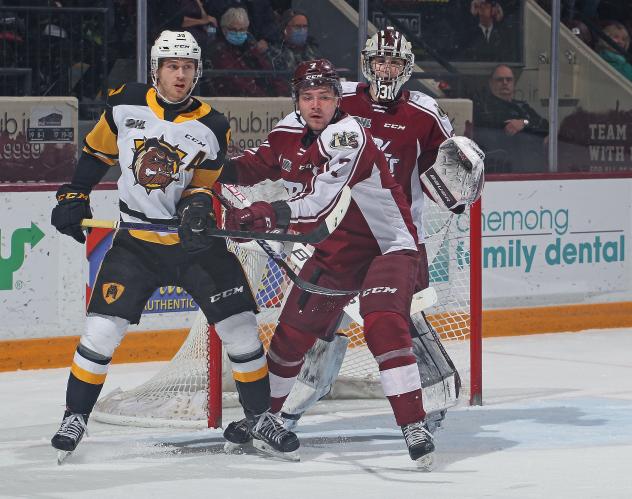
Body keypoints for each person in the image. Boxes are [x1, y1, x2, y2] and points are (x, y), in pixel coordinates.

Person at [49, 30, 298, 462]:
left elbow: (205, 185)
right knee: (102, 333)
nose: (180, 76)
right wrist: (75, 194)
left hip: (194, 247)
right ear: (156, 69)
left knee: (240, 329)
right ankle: (75, 417)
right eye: (172, 67)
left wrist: (197, 211)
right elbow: (96, 154)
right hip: (137, 245)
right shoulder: (124, 102)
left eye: (187, 67)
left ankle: (259, 419)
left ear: (197, 71)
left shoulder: (213, 123)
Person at [218, 58, 443, 469]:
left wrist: (264, 214)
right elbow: (257, 163)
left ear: (338, 100)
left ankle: (414, 424)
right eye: (308, 97)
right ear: (296, 100)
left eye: (325, 96)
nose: (316, 104)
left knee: (382, 322)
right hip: (335, 252)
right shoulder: (288, 130)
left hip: (388, 246)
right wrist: (210, 169)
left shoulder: (348, 135)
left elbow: (321, 205)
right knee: (289, 336)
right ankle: (263, 417)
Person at [277, 27, 480, 433]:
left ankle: (428, 411)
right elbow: (294, 145)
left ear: (406, 68)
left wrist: (462, 185)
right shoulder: (341, 97)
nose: (386, 70)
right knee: (320, 326)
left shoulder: (424, 113)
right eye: (380, 62)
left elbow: (444, 178)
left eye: (394, 63)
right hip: (336, 237)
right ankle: (286, 413)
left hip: (395, 241)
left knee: (402, 325)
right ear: (367, 64)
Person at [474, 64, 549, 173]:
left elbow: (545, 125)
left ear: (514, 83)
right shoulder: (483, 108)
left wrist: (524, 122)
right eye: (500, 80)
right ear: (491, 83)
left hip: (531, 170)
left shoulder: (522, 106)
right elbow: (501, 126)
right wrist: (526, 124)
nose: (505, 83)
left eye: (509, 80)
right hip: (502, 171)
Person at [204, 6, 286, 97]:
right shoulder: (217, 51)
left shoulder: (251, 47)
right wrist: (265, 98)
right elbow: (238, 82)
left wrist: (282, 94)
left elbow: (270, 72)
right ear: (224, 29)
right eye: (233, 29)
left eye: (242, 29)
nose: (238, 33)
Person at [267, 8, 322, 94]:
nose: (302, 30)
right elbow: (280, 82)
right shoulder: (275, 52)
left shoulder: (313, 51)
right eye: (297, 27)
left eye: (304, 27)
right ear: (285, 29)